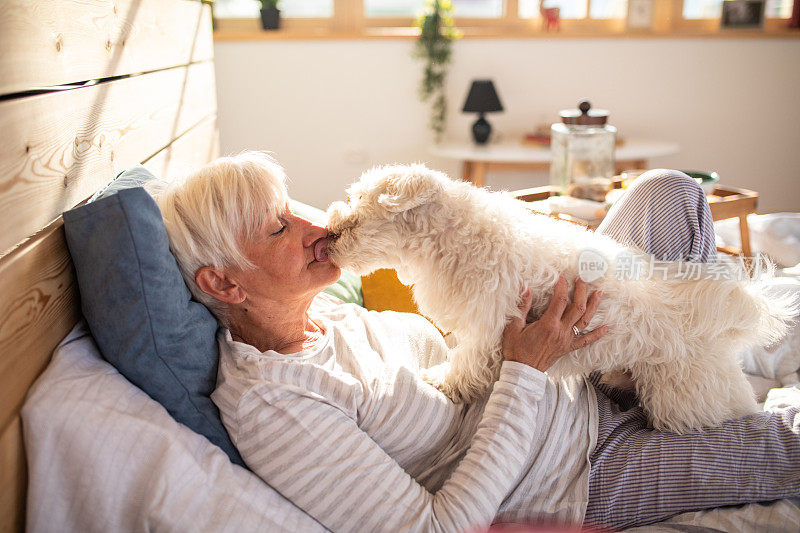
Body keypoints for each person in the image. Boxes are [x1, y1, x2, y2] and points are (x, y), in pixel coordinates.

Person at [155, 151, 800, 532]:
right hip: (581, 467)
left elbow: (469, 335)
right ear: (224, 282)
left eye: (294, 206)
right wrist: (529, 367)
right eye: (277, 229)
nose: (313, 224)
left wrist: (530, 284)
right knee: (787, 446)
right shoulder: (275, 405)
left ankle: (690, 337)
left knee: (669, 195)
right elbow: (439, 527)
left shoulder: (333, 318)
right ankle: (700, 347)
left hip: (579, 367)